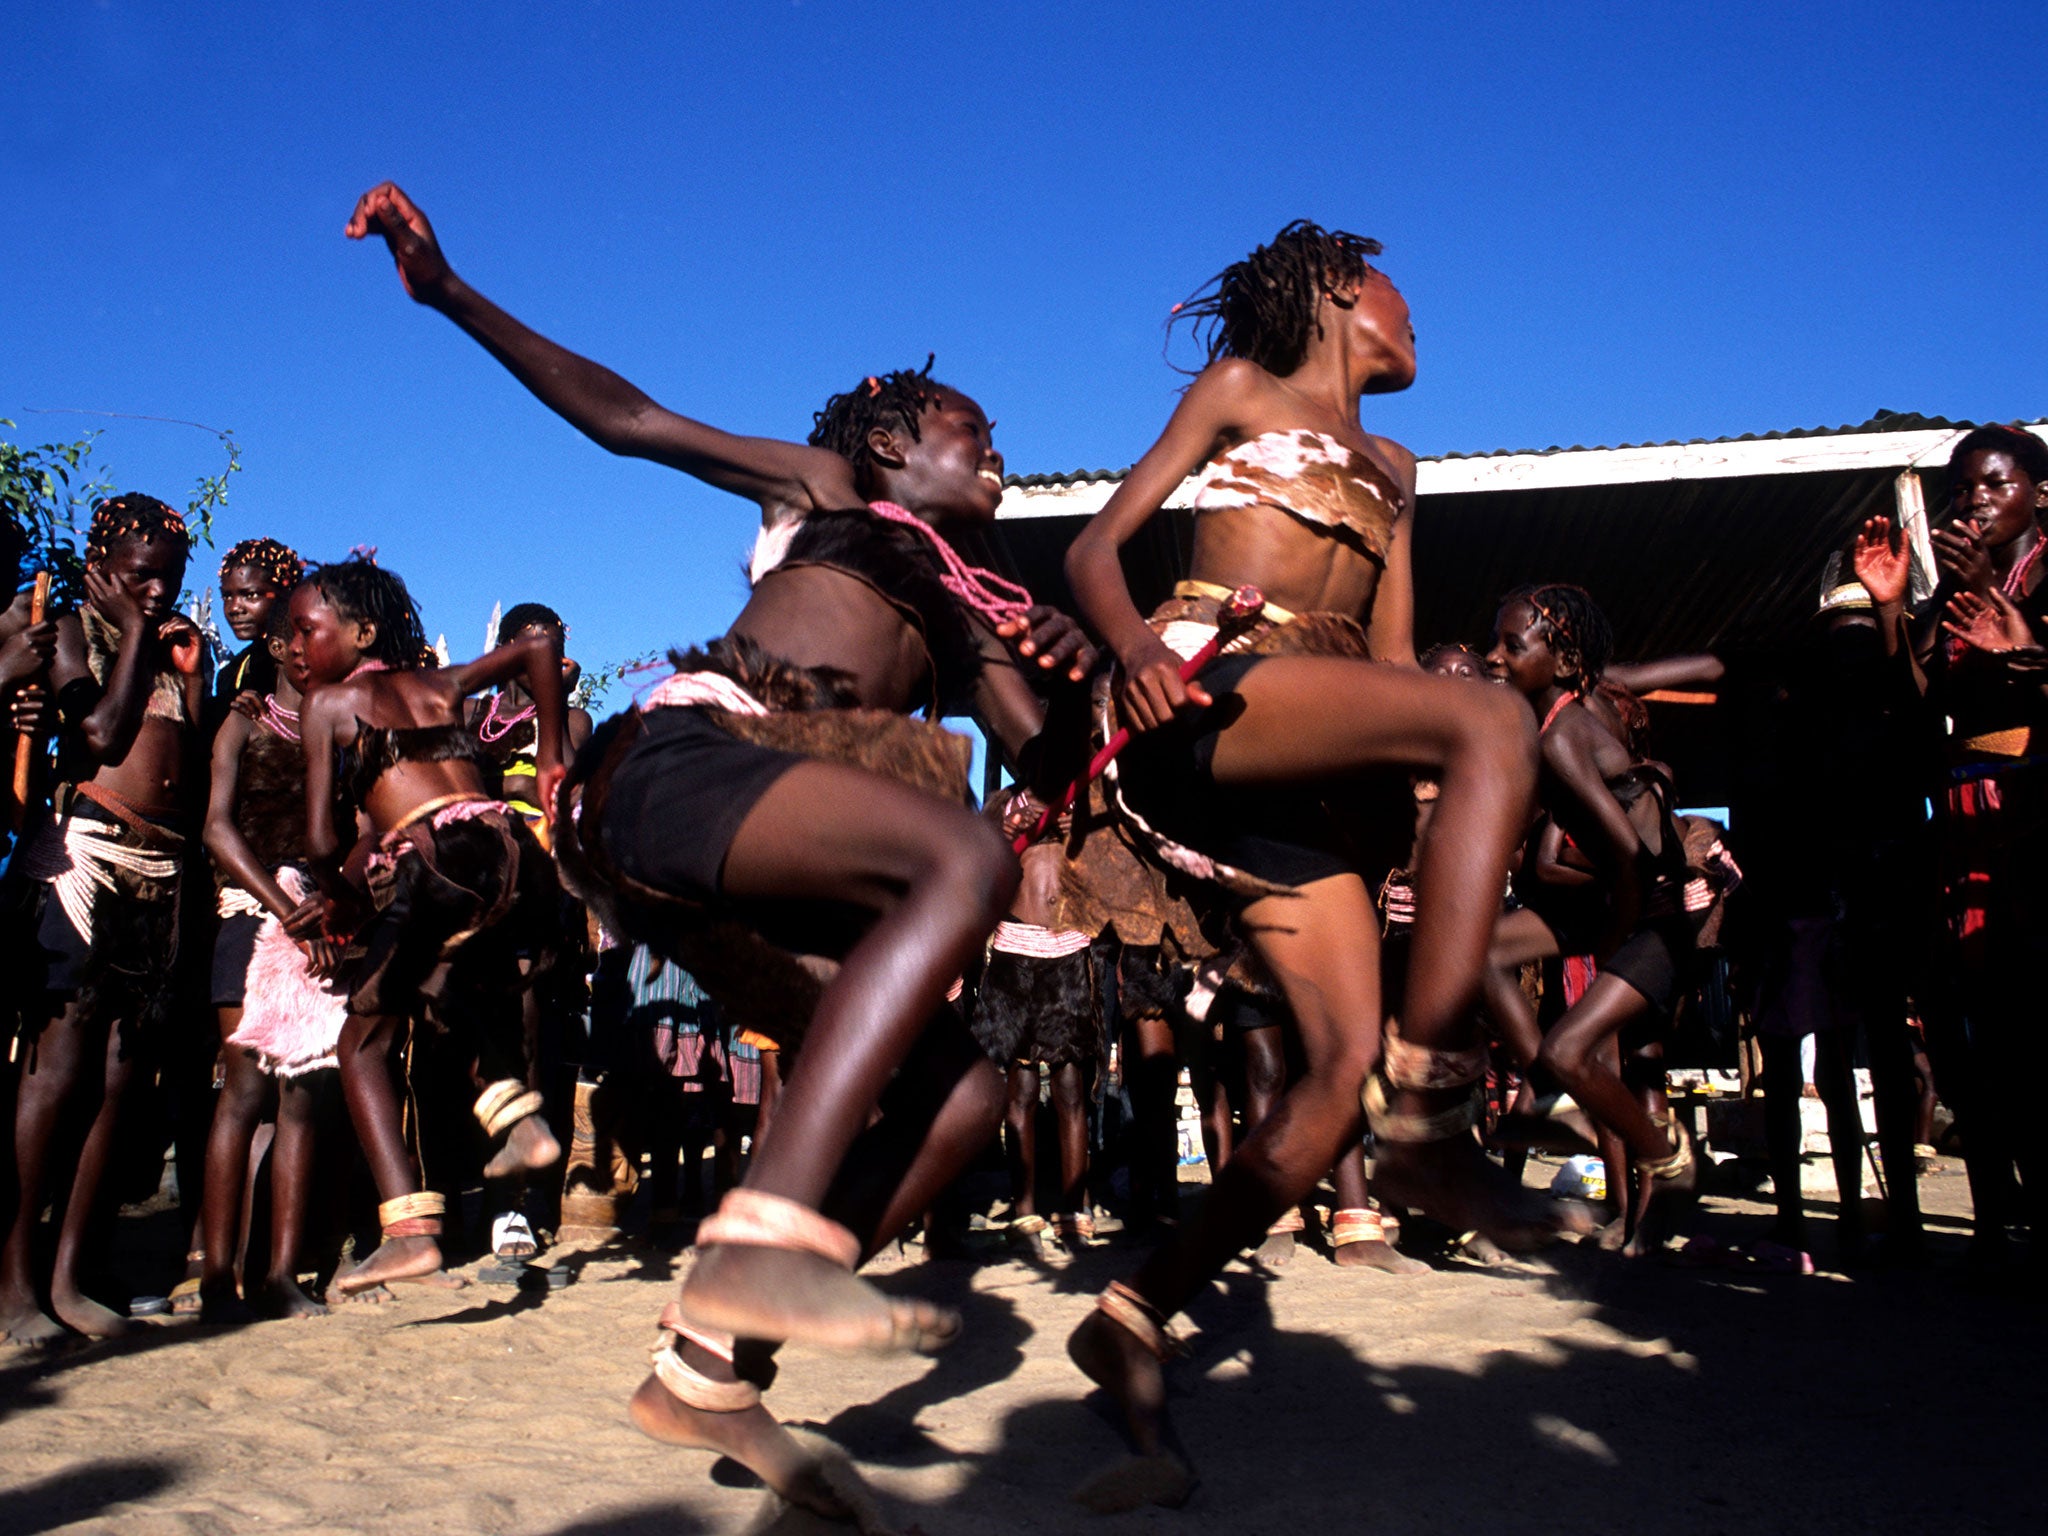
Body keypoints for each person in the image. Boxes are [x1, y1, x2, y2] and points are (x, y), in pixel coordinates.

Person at [347, 179, 1093, 1518]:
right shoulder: (822, 492)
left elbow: (1052, 759)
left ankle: (705, 1365)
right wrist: (452, 292)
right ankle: (766, 1245)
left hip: (751, 849)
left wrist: (1096, 668)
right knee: (960, 863)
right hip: (682, 769)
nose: (998, 451)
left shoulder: (986, 609)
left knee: (966, 1092)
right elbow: (628, 419)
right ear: (886, 439)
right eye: (972, 430)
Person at [1060, 220, 1543, 1505]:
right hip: (1208, 694)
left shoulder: (1395, 465)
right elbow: (1090, 551)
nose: (1416, 315)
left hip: (1306, 755)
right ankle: (1433, 1124)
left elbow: (1389, 665)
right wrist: (1132, 652)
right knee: (1492, 708)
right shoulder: (1237, 395)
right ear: (1339, 289)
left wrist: (1423, 798)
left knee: (1333, 1078)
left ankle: (1129, 1312)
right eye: (1400, 289)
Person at [286, 554, 569, 1298]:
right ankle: (521, 1125)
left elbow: (319, 841)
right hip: (513, 856)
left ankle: (409, 1232)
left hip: (438, 860)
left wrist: (338, 897)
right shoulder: (438, 684)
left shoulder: (329, 706)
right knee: (451, 986)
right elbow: (540, 648)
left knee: (362, 1040)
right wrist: (552, 759)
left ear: (361, 632)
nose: (293, 647)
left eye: (305, 629)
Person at [2, 494, 205, 1343]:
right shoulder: (71, 632)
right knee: (58, 1073)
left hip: (158, 872)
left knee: (122, 1080)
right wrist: (121, 624)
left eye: (169, 578)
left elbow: (187, 782)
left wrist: (188, 681)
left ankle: (72, 1276)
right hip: (85, 856)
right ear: (101, 563)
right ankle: (13, 1286)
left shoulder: (170, 657)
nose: (154, 591)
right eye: (139, 574)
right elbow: (100, 729)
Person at [1856, 423, 2048, 1265]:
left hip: (2036, 807)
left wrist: (2028, 649)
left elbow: (2026, 666)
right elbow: (1914, 694)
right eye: (1965, 488)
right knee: (1983, 1025)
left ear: (2039, 493)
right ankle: (2003, 1216)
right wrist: (1896, 606)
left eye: (1996, 485)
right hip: (1964, 813)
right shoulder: (1958, 593)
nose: (1976, 501)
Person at [1483, 585, 1700, 1256]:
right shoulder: (1545, 728)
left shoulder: (1566, 737)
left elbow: (1632, 856)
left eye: (1510, 647)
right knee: (1481, 952)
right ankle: (1550, 1088)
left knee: (1576, 1048)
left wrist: (1612, 942)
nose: (1495, 658)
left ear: (1566, 664)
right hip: (1612, 909)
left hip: (1651, 921)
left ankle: (1666, 1156)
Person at [197, 599, 343, 1320]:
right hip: (251, 916)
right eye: (301, 639)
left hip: (322, 927)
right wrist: (287, 909)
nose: (308, 653)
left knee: (302, 1102)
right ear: (283, 646)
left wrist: (334, 906)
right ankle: (218, 1275)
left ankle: (283, 1274)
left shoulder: (343, 736)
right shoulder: (243, 723)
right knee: (243, 1093)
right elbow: (218, 829)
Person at [214, 538, 303, 710]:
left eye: (251, 595)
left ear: (286, 594)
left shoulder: (308, 659)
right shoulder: (230, 673)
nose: (234, 608)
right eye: (227, 596)